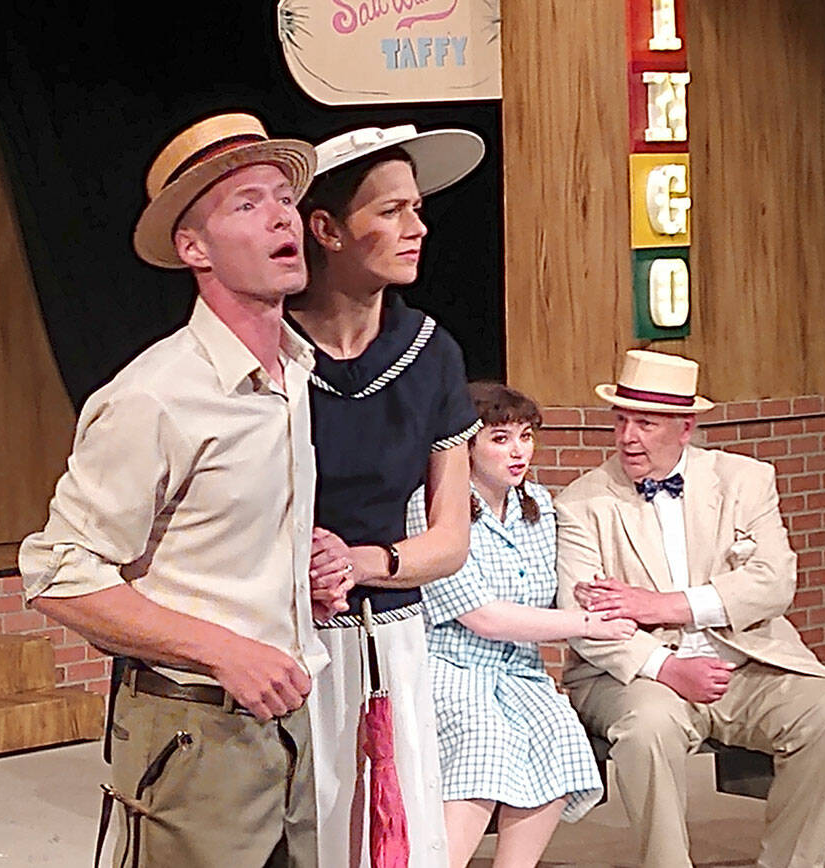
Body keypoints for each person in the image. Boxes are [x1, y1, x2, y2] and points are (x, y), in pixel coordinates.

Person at [17, 111, 333, 868]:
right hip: (194, 733)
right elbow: (59, 573)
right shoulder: (155, 396)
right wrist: (225, 650)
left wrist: (300, 566)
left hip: (294, 721)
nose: (280, 217)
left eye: (281, 198)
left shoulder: (295, 374)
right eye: (246, 205)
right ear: (194, 248)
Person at [554, 348, 825, 868]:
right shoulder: (581, 503)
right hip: (638, 675)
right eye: (622, 420)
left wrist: (663, 605)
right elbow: (586, 620)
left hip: (748, 662)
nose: (628, 437)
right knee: (648, 732)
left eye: (646, 423)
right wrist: (670, 668)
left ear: (685, 428)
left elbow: (773, 583)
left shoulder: (746, 480)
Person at [283, 122, 486, 868]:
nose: (417, 227)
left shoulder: (431, 353)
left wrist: (364, 562)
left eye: (417, 208)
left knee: (391, 836)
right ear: (327, 230)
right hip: (283, 638)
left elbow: (450, 539)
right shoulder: (270, 353)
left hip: (387, 637)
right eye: (391, 211)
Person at [407, 381, 635, 868]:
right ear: (465, 446)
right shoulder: (427, 508)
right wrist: (584, 622)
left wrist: (587, 595)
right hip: (451, 666)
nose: (518, 451)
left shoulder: (538, 506)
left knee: (559, 737)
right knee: (485, 741)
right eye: (501, 438)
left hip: (519, 672)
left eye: (526, 436)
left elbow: (547, 592)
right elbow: (482, 617)